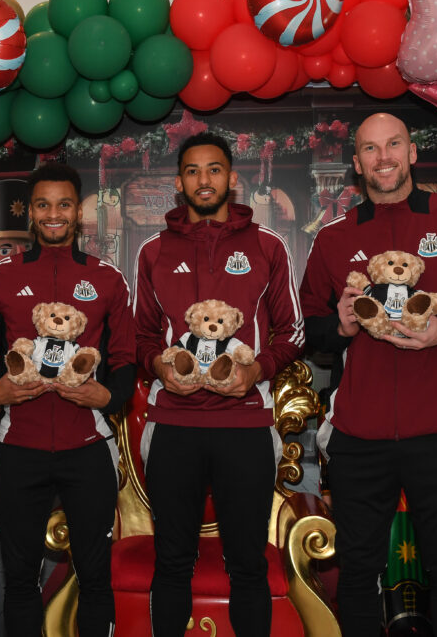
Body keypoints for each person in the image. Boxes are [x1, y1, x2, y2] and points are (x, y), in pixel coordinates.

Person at [298, 113, 437, 637]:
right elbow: (307, 327)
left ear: (412, 153)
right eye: (370, 149)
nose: (384, 158)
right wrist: (343, 326)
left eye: (393, 144)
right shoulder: (332, 238)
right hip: (357, 436)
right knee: (357, 576)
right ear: (356, 163)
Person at [133, 132, 304, 637]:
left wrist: (257, 371)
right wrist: (159, 368)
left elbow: (293, 331)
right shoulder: (152, 251)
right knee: (172, 560)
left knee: (247, 561)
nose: (203, 180)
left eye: (213, 170)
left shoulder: (267, 246)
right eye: (192, 170)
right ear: (179, 181)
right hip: (173, 426)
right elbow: (139, 334)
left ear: (232, 178)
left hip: (245, 425)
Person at [0, 163, 136, 637]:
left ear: (77, 211)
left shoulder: (107, 278)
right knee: (20, 579)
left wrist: (108, 397)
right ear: (30, 212)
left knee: (95, 577)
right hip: (19, 446)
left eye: (64, 204)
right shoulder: (0, 277)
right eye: (43, 204)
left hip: (89, 447)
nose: (53, 214)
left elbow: (125, 357)